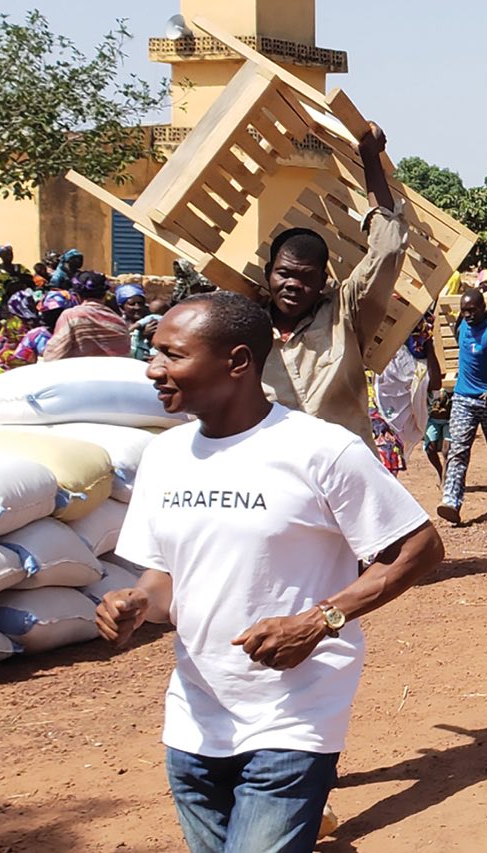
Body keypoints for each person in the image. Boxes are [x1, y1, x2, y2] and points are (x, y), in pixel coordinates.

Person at [94, 292, 444, 853]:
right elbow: (163, 582)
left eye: (172, 355)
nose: (153, 368)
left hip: (294, 713)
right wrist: (136, 602)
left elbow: (420, 549)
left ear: (237, 362)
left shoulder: (320, 450)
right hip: (195, 717)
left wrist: (320, 620)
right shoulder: (163, 456)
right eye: (154, 352)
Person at [261, 122, 407, 449]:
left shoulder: (346, 314)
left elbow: (388, 250)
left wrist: (370, 159)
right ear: (268, 272)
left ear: (324, 280)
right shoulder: (247, 325)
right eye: (284, 274)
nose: (293, 285)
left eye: (306, 278)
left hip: (344, 472)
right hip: (275, 477)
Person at [438, 288, 487, 525]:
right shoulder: (462, 325)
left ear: (483, 308)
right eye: (465, 310)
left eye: (473, 310)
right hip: (463, 399)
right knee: (458, 450)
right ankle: (451, 501)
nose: (468, 314)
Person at [41, 272, 130, 360]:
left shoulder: (71, 316)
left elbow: (53, 356)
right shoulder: (119, 321)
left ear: (77, 295)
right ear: (105, 295)